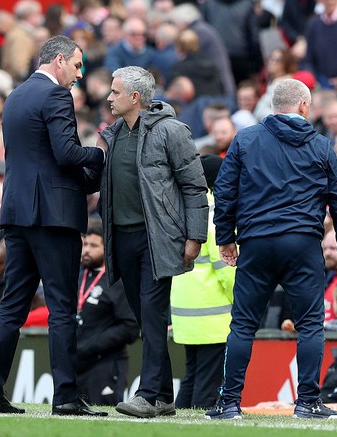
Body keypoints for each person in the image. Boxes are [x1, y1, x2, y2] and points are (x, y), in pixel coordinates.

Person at [207, 78, 337, 420]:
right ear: (304, 106)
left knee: (243, 324)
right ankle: (307, 402)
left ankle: (229, 403)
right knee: (310, 325)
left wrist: (225, 237)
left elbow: (225, 190)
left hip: (256, 241)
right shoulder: (321, 145)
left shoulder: (246, 139)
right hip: (302, 243)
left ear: (274, 106)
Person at [0, 35, 106, 416]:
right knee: (63, 307)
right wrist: (99, 155)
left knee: (12, 305)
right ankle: (65, 396)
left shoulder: (15, 96)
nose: (79, 75)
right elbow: (66, 154)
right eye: (78, 65)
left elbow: (38, 159)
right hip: (53, 215)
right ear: (59, 60)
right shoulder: (56, 96)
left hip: (17, 213)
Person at [99, 66, 208, 418]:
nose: (108, 97)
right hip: (122, 237)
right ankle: (163, 396)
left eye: (115, 92)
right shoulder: (113, 133)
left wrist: (195, 237)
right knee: (146, 318)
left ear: (135, 98)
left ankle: (146, 394)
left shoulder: (172, 131)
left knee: (153, 313)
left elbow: (194, 187)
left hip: (157, 238)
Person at [172, 154, 235, 410]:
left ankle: (179, 426)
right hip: (214, 316)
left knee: (191, 377)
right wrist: (241, 300)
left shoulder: (183, 211)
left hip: (185, 312)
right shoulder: (216, 215)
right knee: (208, 385)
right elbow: (227, 267)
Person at [76, 220, 139, 406]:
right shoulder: (78, 275)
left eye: (94, 245)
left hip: (104, 365)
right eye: (85, 244)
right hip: (76, 364)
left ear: (107, 248)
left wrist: (93, 344)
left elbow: (130, 328)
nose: (86, 250)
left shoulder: (117, 281)